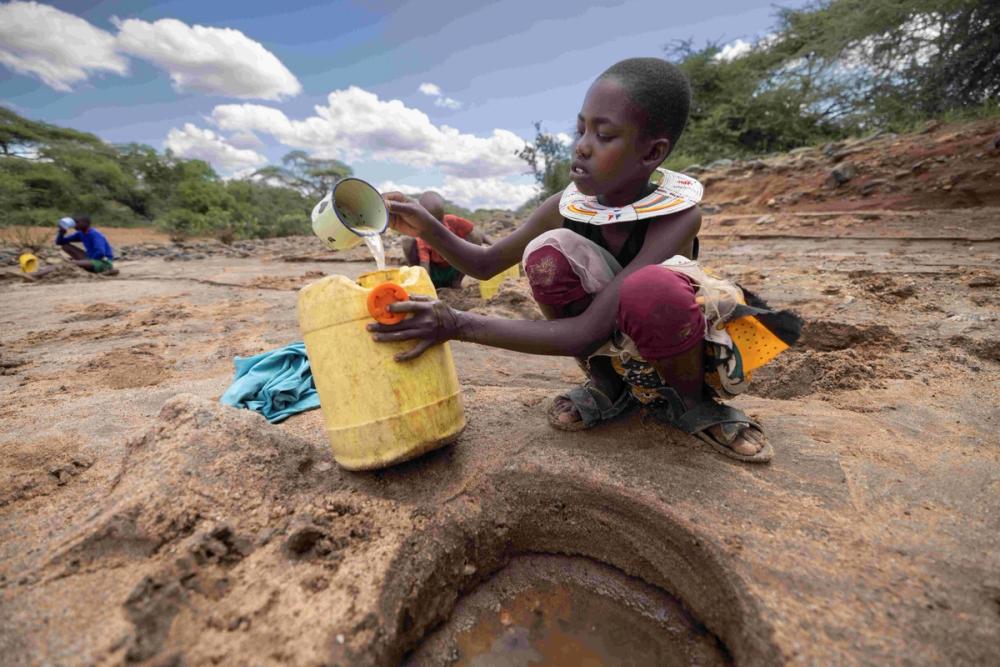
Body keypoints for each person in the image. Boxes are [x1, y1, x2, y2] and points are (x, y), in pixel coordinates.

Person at [372, 58, 797, 463]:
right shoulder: (565, 205)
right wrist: (426, 226)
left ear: (652, 154)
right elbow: (484, 265)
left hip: (677, 344)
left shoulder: (679, 216)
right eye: (581, 130)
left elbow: (583, 332)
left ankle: (692, 403)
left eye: (604, 136)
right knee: (546, 255)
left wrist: (457, 324)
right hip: (605, 335)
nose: (582, 148)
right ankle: (609, 387)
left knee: (651, 288)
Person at [400, 192, 490, 289]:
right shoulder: (424, 235)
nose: (439, 226)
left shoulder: (453, 221)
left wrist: (499, 251)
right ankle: (418, 279)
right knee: (406, 240)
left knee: (475, 237)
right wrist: (426, 286)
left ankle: (456, 281)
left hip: (456, 267)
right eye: (433, 222)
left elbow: (479, 235)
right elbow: (425, 263)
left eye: (440, 220)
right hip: (433, 273)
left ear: (443, 214)